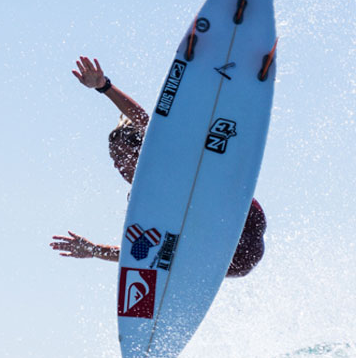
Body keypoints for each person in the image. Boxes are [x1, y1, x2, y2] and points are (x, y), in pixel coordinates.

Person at [50, 56, 266, 277]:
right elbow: (140, 252)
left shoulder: (166, 163)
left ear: (140, 151)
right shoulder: (140, 201)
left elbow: (143, 120)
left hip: (244, 220)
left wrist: (104, 86)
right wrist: (94, 251)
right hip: (226, 261)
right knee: (161, 245)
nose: (117, 165)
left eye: (121, 156)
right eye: (113, 160)